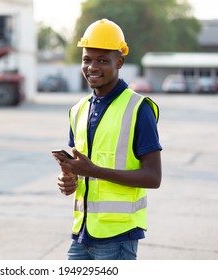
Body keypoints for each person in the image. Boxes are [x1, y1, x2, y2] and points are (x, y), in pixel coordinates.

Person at [52, 18, 162, 260]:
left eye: (103, 60)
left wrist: (94, 171)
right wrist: (67, 178)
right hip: (82, 232)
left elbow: (153, 178)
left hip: (119, 237)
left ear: (119, 61)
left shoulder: (138, 109)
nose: (93, 67)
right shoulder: (78, 110)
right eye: (87, 59)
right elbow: (79, 167)